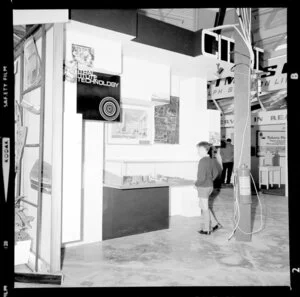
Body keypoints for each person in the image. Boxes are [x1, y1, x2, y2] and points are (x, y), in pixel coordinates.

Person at [195, 141, 223, 235]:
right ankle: (215, 224)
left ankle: (207, 229)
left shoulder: (202, 161)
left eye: (199, 149)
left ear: (204, 150)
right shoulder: (211, 160)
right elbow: (215, 173)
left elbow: (201, 177)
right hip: (210, 186)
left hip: (203, 187)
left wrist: (196, 184)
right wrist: (210, 180)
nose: (198, 151)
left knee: (205, 208)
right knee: (202, 205)